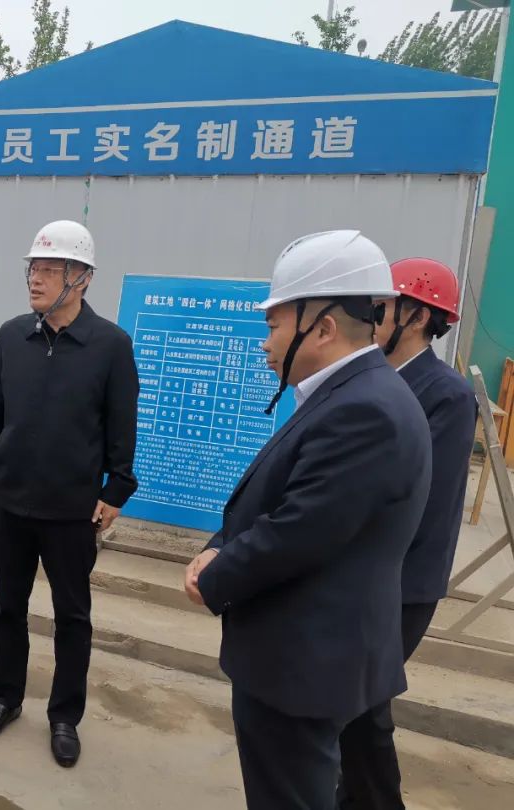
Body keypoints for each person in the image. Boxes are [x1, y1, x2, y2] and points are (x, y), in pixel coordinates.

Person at [184, 230, 432, 810]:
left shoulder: (364, 410)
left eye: (274, 325)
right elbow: (288, 499)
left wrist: (215, 575)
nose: (265, 342)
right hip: (313, 655)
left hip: (302, 666)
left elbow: (299, 530)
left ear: (321, 328)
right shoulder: (353, 394)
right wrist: (222, 543)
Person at [0, 220, 139, 768]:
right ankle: (6, 698)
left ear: (81, 278)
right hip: (11, 504)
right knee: (7, 608)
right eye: (32, 269)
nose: (34, 280)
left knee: (72, 617)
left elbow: (123, 428)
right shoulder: (12, 336)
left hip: (72, 511)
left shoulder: (110, 345)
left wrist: (116, 490)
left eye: (48, 270)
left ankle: (65, 716)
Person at [337, 257, 477, 810]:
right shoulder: (370, 377)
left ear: (418, 317)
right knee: (351, 702)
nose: (371, 317)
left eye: (383, 308)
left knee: (363, 703)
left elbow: (421, 499)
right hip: (359, 571)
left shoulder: (447, 395)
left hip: (401, 582)